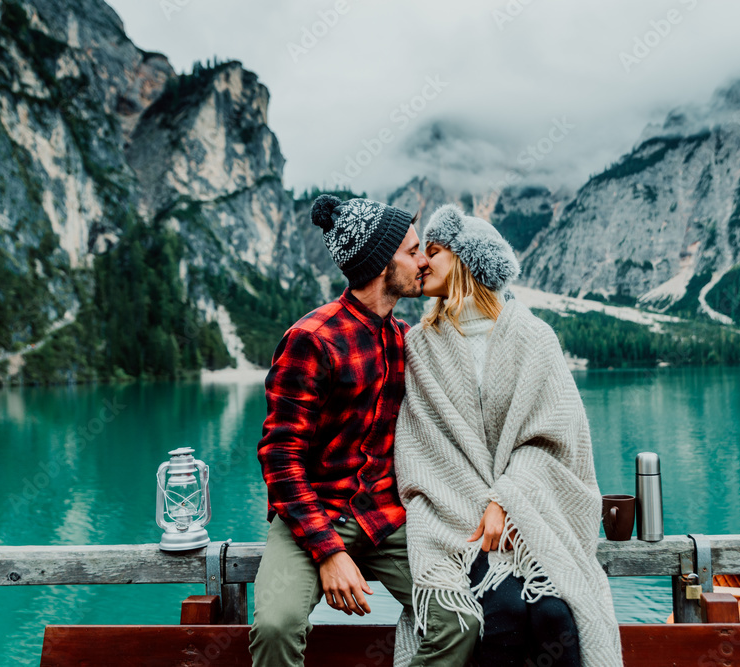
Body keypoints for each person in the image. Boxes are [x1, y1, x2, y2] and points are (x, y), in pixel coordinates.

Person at [249, 195, 480, 667]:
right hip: (310, 516)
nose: (423, 262)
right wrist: (329, 552)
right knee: (276, 627)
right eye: (413, 251)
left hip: (384, 516)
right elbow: (280, 458)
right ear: (380, 264)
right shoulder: (311, 339)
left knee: (460, 621)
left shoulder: (401, 338)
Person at [394, 204, 623, 666]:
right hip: (456, 521)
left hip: (530, 517)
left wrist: (507, 500)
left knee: (557, 618)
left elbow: (555, 439)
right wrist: (482, 509)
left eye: (434, 251)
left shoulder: (533, 337)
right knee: (502, 611)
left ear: (464, 260)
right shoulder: (418, 346)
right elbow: (423, 450)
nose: (422, 262)